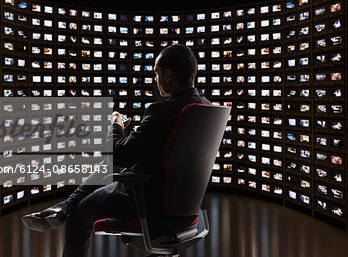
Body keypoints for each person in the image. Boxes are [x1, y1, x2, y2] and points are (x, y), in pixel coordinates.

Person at [21, 44, 211, 257]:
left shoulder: (161, 110)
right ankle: (65, 204)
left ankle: (68, 207)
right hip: (184, 203)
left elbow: (118, 153)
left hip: (146, 199)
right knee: (113, 166)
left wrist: (116, 125)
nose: (155, 81)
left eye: (157, 75)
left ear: (168, 75)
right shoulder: (204, 107)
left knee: (78, 215)